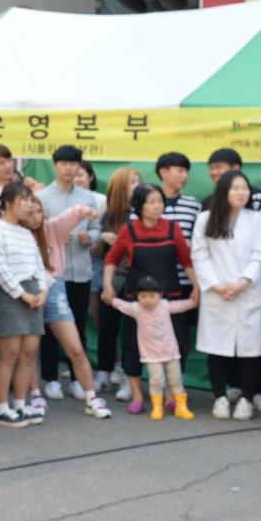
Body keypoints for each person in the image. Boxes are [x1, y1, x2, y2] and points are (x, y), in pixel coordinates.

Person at [103, 184, 197, 415]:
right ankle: (137, 394)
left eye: (160, 201)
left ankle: (169, 396)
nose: (158, 206)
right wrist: (107, 285)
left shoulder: (172, 228)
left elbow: (186, 260)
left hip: (171, 294)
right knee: (132, 346)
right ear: (140, 206)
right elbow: (112, 259)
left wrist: (196, 287)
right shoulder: (129, 230)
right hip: (138, 299)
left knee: (177, 344)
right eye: (152, 202)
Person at [192, 171, 261, 421]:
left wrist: (242, 282)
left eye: (244, 188)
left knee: (250, 349)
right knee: (217, 348)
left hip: (247, 292)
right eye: (235, 188)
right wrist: (216, 285)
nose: (241, 193)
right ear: (223, 191)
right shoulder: (205, 219)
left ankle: (246, 400)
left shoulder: (257, 219)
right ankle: (220, 398)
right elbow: (200, 255)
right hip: (217, 294)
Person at [23, 196, 110, 418]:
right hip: (27, 291)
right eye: (29, 212)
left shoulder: (52, 228)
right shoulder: (15, 233)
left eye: (38, 212)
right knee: (30, 351)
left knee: (76, 347)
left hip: (55, 287)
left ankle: (92, 397)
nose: (35, 217)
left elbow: (69, 215)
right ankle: (36, 395)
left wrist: (84, 210)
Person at [36, 146, 100, 402]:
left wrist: (89, 237)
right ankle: (51, 378)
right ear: (55, 166)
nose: (69, 168)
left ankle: (76, 378)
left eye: (73, 164)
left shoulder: (88, 197)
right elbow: (38, 230)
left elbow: (97, 228)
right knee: (50, 327)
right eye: (63, 163)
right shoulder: (42, 197)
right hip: (53, 272)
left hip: (81, 270)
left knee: (79, 326)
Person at [0, 183, 51, 428]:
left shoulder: (25, 232)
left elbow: (39, 265)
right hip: (8, 296)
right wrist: (22, 294)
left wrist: (43, 290)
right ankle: (2, 407)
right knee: (9, 355)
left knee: (29, 354)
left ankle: (21, 404)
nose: (30, 205)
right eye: (25, 200)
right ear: (9, 202)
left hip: (33, 294)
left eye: (31, 200)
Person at [109, 276, 198, 420]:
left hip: (171, 352)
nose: (148, 300)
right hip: (151, 355)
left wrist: (194, 301)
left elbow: (182, 305)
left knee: (175, 380)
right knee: (156, 380)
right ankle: (157, 407)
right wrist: (111, 299)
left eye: (152, 296)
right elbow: (121, 305)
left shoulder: (165, 305)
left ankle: (181, 406)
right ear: (137, 296)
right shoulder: (136, 308)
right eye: (143, 296)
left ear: (160, 295)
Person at [94, 166, 143, 397]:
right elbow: (97, 252)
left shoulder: (144, 214)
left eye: (138, 182)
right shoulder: (109, 214)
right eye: (132, 182)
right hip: (111, 278)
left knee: (131, 332)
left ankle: (127, 376)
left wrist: (119, 242)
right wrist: (100, 238)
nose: (137, 186)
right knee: (106, 327)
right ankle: (103, 371)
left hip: (135, 279)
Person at [155, 152, 202, 369]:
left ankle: (177, 385)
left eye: (186, 172)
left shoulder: (193, 205)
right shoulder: (148, 202)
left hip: (184, 281)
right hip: (154, 282)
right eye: (179, 170)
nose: (184, 176)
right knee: (153, 334)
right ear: (163, 172)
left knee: (182, 336)